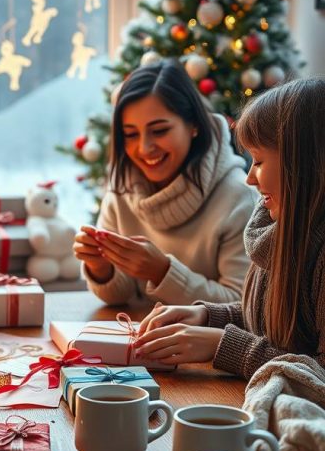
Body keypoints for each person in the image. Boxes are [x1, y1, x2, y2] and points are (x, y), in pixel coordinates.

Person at [134, 78, 325, 380]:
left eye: (259, 161)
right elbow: (268, 320)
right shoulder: (275, 230)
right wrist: (208, 317)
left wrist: (223, 346)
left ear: (304, 164)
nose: (250, 177)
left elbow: (319, 372)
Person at [74, 60, 255, 310]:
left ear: (193, 126)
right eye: (130, 134)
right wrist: (101, 268)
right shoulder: (122, 189)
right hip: (134, 339)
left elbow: (243, 306)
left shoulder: (238, 197)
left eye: (159, 131)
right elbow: (119, 296)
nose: (144, 148)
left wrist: (163, 273)